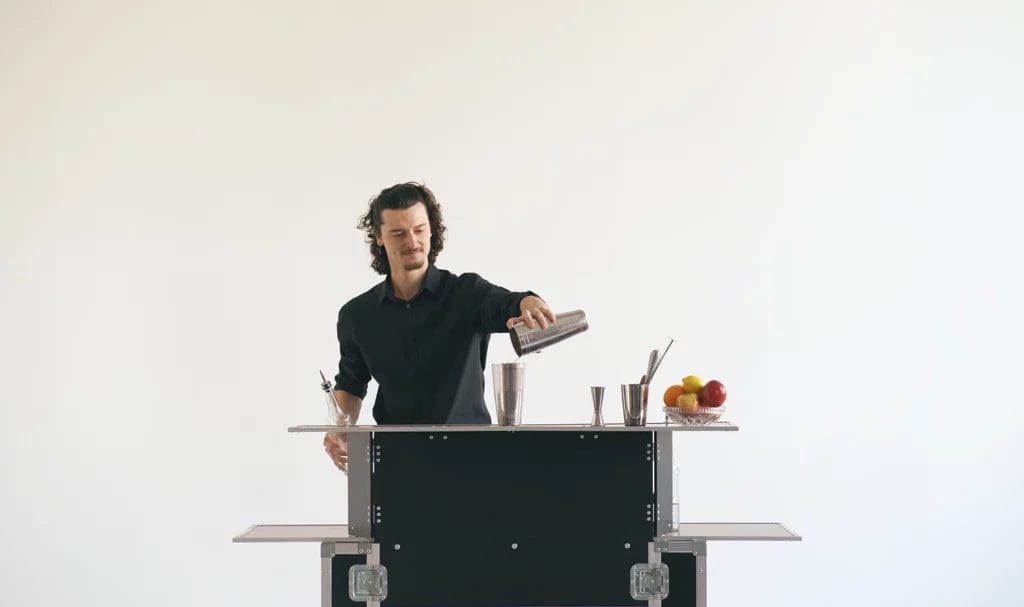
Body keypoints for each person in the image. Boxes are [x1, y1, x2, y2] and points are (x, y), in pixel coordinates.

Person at [323, 183, 555, 471]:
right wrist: (338, 430)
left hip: (471, 459)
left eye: (419, 230)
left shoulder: (468, 293)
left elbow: (513, 302)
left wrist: (532, 305)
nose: (412, 241)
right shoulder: (357, 315)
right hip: (396, 461)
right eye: (398, 233)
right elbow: (350, 384)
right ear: (379, 238)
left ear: (432, 230)